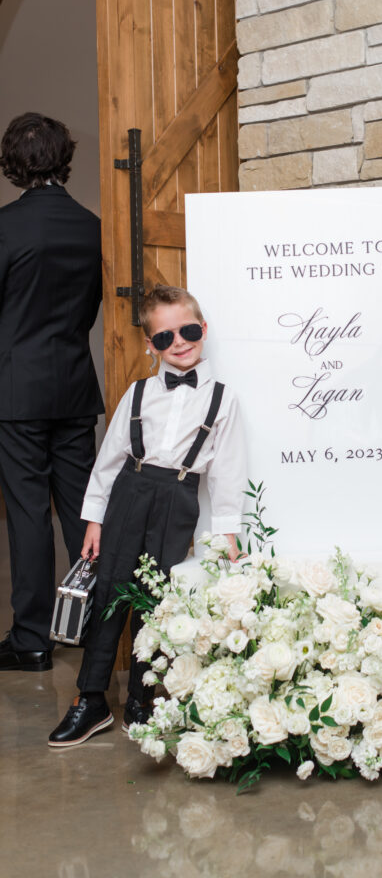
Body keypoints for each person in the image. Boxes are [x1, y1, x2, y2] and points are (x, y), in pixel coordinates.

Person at [48, 284, 247, 747]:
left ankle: (142, 695)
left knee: (153, 601)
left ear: (203, 329)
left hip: (178, 499)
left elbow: (227, 471)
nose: (178, 343)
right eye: (164, 338)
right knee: (109, 596)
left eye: (189, 331)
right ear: (149, 344)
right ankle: (91, 699)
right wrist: (94, 519)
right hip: (129, 494)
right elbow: (109, 459)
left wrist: (227, 533)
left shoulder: (223, 399)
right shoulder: (138, 393)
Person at [0, 112, 103, 673]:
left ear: (13, 163)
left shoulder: (6, 226)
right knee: (82, 511)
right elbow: (88, 310)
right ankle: (93, 628)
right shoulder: (91, 225)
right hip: (74, 384)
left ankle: (32, 637)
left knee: (27, 514)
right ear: (64, 157)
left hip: (16, 390)